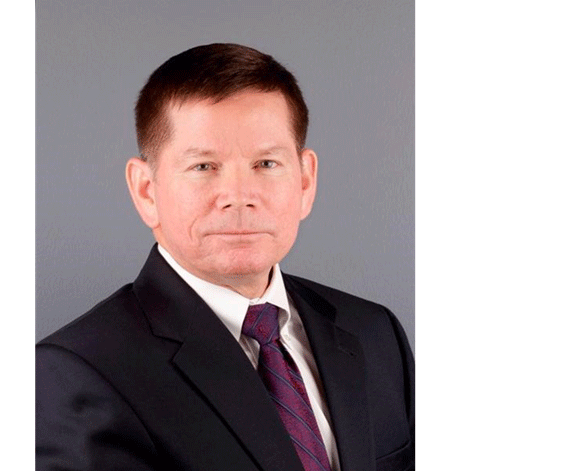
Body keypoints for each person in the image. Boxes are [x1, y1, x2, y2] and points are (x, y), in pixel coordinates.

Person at [36, 43, 414, 471]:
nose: (239, 196)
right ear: (146, 191)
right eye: (204, 166)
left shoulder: (373, 333)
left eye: (266, 163)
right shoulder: (78, 373)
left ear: (305, 181)